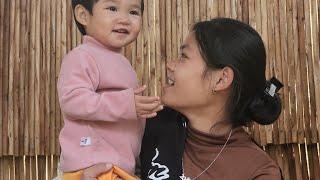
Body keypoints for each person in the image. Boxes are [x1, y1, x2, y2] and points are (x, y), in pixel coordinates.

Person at [140, 18, 284, 180]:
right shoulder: (150, 125)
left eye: (183, 57)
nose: (170, 65)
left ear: (221, 79)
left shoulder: (258, 172)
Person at [57, 0, 162, 179]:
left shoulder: (122, 63)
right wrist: (126, 104)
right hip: (94, 165)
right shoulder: (82, 56)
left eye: (134, 12)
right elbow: (72, 101)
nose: (124, 19)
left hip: (118, 167)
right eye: (112, 9)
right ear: (83, 15)